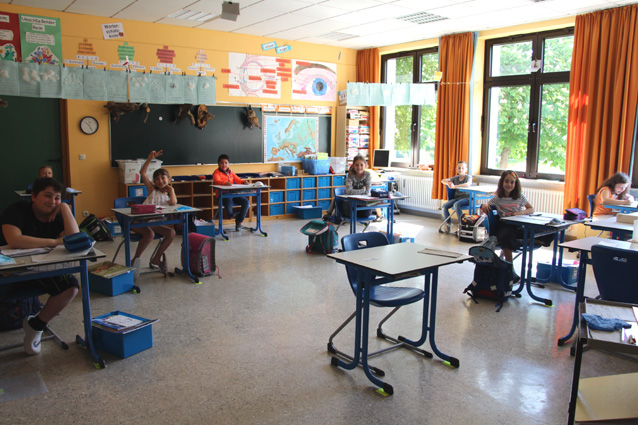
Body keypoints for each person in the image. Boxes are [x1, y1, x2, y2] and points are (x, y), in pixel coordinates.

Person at [0, 178, 79, 355]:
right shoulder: (16, 210)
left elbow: (75, 240)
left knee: (71, 287)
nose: (52, 201)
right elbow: (14, 240)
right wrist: (54, 242)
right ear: (34, 196)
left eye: (57, 197)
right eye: (48, 196)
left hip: (38, 269)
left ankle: (36, 326)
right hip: (8, 271)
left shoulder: (58, 214)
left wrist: (65, 208)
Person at [480, 170, 541, 271]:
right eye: (506, 181)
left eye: (512, 182)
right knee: (506, 237)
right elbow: (486, 209)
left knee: (544, 232)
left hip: (519, 226)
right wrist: (484, 206)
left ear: (515, 184)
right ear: (502, 182)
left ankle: (521, 240)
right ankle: (509, 268)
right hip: (505, 226)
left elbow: (531, 209)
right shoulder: (497, 198)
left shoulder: (520, 196)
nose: (509, 184)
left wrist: (520, 213)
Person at [131, 150, 177, 278]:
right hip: (139, 222)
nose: (160, 181)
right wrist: (150, 159)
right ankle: (135, 259)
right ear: (154, 181)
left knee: (171, 233)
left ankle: (156, 258)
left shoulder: (168, 195)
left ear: (169, 179)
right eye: (157, 179)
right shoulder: (152, 190)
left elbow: (173, 203)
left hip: (152, 223)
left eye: (163, 178)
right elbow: (142, 173)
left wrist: (172, 190)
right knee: (150, 234)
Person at [213, 154, 250, 231]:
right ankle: (237, 216)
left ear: (228, 164)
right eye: (222, 163)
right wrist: (225, 183)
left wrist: (244, 182)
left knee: (246, 202)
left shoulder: (231, 172)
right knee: (230, 214)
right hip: (223, 195)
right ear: (218, 164)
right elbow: (217, 181)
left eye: (226, 163)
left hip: (233, 194)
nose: (224, 165)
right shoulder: (216, 172)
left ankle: (239, 222)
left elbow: (238, 180)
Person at [440, 160, 472, 233]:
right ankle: (448, 224)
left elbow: (468, 184)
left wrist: (455, 186)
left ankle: (462, 225)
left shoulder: (468, 177)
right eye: (459, 168)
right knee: (444, 206)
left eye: (463, 168)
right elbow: (443, 180)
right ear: (456, 169)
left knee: (456, 205)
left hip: (466, 198)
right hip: (457, 198)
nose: (461, 169)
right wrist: (448, 183)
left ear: (466, 169)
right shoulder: (455, 178)